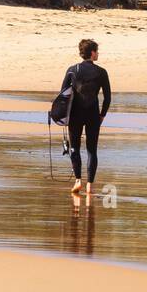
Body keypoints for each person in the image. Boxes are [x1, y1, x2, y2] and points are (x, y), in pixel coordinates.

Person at [60, 39, 111, 195]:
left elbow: (63, 95)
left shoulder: (72, 70)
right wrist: (102, 115)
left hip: (75, 115)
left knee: (74, 147)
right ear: (92, 52)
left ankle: (77, 180)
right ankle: (89, 185)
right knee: (91, 150)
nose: (98, 54)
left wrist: (62, 116)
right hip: (93, 115)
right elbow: (108, 97)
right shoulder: (101, 72)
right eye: (97, 51)